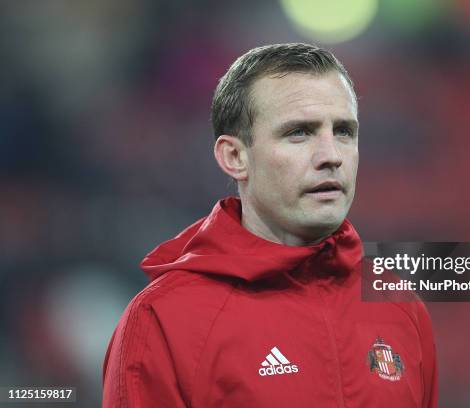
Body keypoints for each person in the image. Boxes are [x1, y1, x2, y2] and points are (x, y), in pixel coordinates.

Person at [102, 43, 438, 407]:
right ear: (234, 157)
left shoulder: (398, 305)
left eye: (343, 131)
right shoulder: (163, 321)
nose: (331, 157)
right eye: (299, 132)